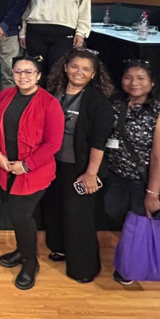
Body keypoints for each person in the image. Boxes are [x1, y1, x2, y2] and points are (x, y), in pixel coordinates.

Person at [0, 56, 64, 290]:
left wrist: (26, 165)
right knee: (15, 216)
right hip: (5, 169)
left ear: (39, 76)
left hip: (33, 173)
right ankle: (21, 250)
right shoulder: (5, 95)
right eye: (18, 71)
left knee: (21, 217)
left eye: (29, 72)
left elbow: (53, 144)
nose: (23, 76)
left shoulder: (50, 103)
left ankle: (31, 262)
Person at [43, 48, 114, 283]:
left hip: (80, 168)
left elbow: (98, 141)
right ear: (65, 67)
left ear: (94, 74)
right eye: (74, 66)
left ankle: (84, 268)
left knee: (78, 217)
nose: (79, 72)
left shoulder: (98, 102)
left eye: (86, 69)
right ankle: (60, 247)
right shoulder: (53, 92)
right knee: (54, 209)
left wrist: (91, 174)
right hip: (52, 165)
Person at [106, 60, 160, 286]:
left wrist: (152, 193)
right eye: (128, 77)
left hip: (143, 180)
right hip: (117, 175)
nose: (134, 82)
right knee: (113, 212)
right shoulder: (116, 104)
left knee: (137, 225)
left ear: (152, 82)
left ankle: (127, 269)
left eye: (141, 78)